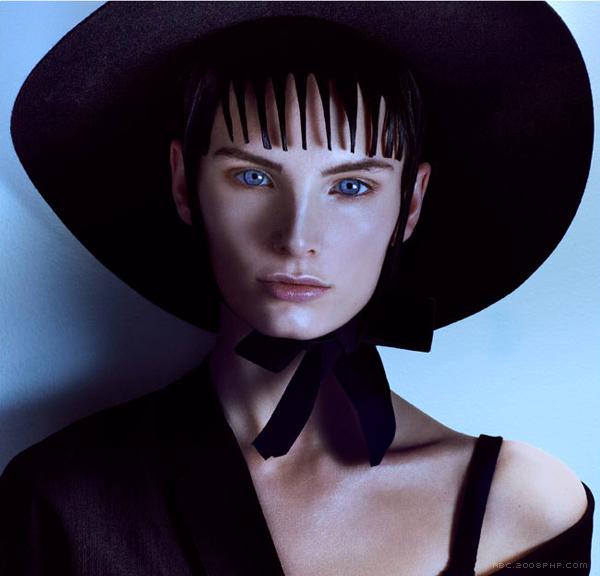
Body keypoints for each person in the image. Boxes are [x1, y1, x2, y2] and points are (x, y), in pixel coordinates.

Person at [0, 3, 594, 575]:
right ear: (184, 183)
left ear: (410, 203)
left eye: (352, 186)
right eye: (252, 176)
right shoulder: (61, 502)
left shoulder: (524, 507)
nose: (297, 237)